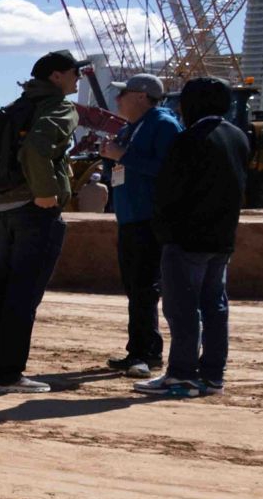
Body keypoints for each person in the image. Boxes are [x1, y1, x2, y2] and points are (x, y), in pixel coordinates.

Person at [0, 50, 80, 393]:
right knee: (24, 295)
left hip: (1, 211)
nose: (78, 79)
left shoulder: (14, 108)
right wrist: (44, 192)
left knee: (1, 293)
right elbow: (35, 149)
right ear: (56, 76)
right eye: (74, 73)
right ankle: (7, 374)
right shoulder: (59, 106)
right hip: (33, 210)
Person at [140, 75, 249, 399]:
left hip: (187, 239)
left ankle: (182, 375)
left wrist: (163, 232)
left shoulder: (190, 139)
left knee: (182, 309)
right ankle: (212, 375)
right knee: (215, 307)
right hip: (222, 239)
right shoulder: (238, 137)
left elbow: (170, 192)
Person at [100, 72, 182, 378]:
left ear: (141, 96)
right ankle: (141, 349)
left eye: (124, 94)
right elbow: (124, 164)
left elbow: (168, 170)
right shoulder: (131, 128)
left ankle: (145, 353)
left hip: (149, 219)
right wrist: (111, 156)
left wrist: (123, 155)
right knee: (135, 287)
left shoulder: (163, 125)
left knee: (144, 288)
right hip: (131, 218)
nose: (118, 99)